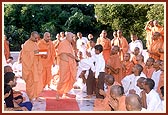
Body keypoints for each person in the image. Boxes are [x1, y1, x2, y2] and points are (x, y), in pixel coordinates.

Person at [21, 31, 43, 101]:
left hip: (36, 66)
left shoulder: (34, 44)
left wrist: (41, 53)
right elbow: (26, 56)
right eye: (35, 38)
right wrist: (38, 52)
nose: (37, 39)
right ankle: (30, 97)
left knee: (37, 82)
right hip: (30, 67)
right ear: (32, 36)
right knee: (30, 82)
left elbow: (36, 52)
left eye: (37, 38)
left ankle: (36, 96)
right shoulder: (27, 44)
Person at [56, 32, 77, 99]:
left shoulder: (68, 43)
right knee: (63, 79)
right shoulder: (63, 43)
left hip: (69, 64)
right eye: (72, 37)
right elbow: (68, 54)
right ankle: (58, 93)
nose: (72, 39)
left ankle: (65, 91)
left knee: (69, 78)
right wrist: (75, 58)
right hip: (64, 64)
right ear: (67, 36)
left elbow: (71, 52)